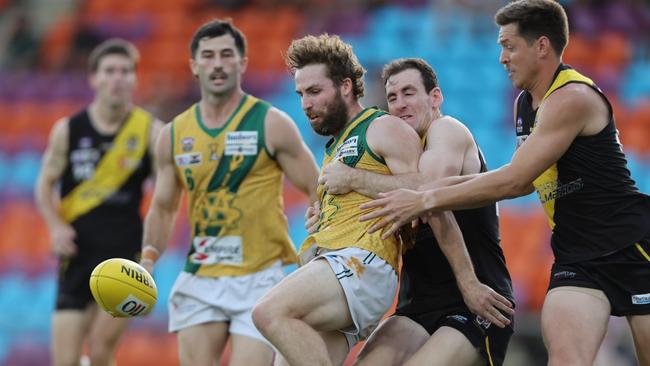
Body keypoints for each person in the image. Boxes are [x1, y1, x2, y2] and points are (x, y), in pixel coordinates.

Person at [361, 1, 650, 365]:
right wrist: (448, 188)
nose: (502, 58)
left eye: (509, 46)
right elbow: (529, 180)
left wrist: (427, 198)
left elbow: (515, 181)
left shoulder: (571, 98)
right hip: (576, 256)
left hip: (631, 248)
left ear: (541, 46)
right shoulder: (525, 104)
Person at [138, 19, 319, 366]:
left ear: (242, 63)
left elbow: (317, 188)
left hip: (260, 277)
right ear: (194, 65)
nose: (217, 64)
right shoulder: (174, 135)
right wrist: (147, 260)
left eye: (226, 54)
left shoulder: (271, 123)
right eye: (207, 56)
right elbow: (162, 208)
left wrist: (317, 243)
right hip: (202, 275)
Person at [313, 58, 515, 366]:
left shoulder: (446, 130)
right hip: (418, 301)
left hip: (473, 297)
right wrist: (325, 218)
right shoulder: (396, 158)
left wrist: (353, 178)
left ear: (435, 97)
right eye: (393, 97)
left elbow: (427, 194)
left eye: (409, 93)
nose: (400, 104)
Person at [250, 34, 423, 366]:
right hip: (338, 270)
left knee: (268, 312)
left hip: (365, 264)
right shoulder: (334, 149)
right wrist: (318, 230)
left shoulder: (381, 126)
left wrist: (355, 178)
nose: (305, 104)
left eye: (314, 92)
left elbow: (425, 187)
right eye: (300, 94)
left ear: (346, 86)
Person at [35, 39, 164, 366]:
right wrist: (55, 226)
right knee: (64, 360)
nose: (117, 78)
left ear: (135, 79)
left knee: (102, 351)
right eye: (109, 71)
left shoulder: (150, 131)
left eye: (125, 71)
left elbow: (168, 193)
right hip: (76, 256)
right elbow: (44, 184)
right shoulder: (69, 130)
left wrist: (152, 248)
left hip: (125, 259)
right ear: (94, 78)